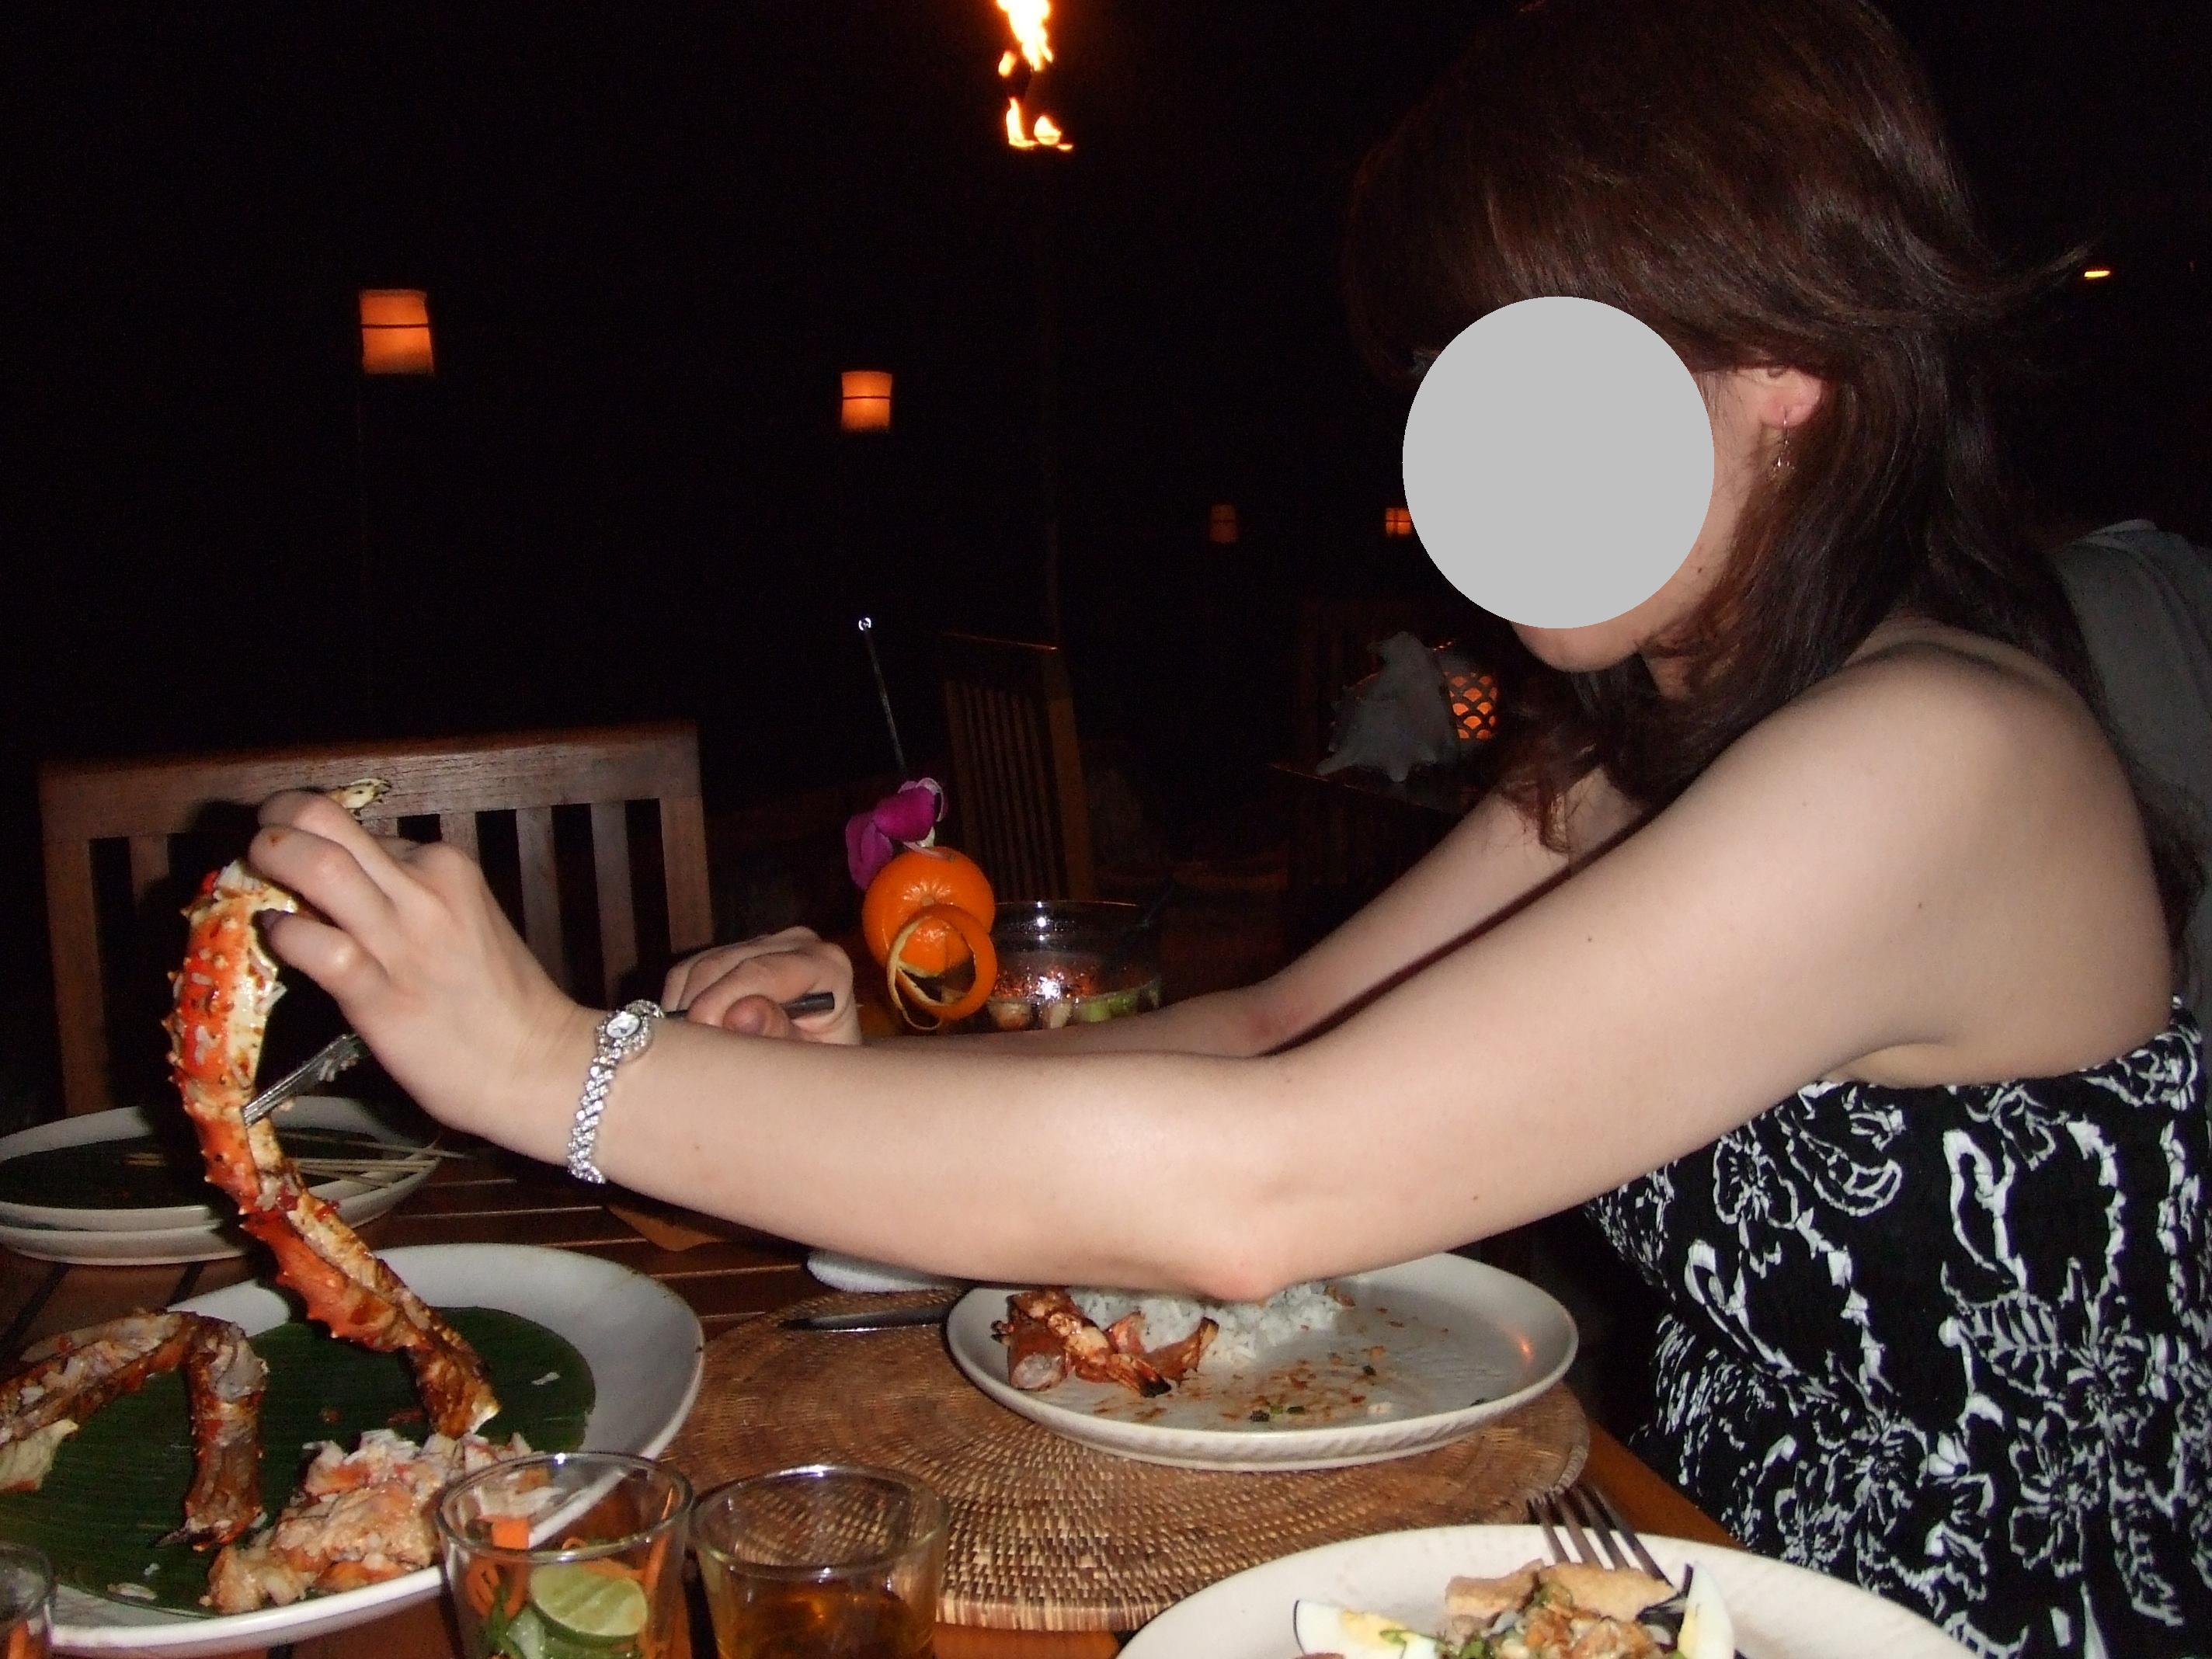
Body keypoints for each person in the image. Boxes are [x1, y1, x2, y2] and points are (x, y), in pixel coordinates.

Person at [249, 0, 2209, 1650]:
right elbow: (1271, 1033)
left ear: (1788, 363)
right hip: (1666, 1559)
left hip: (1948, 1616)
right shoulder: (1657, 739)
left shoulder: (1929, 756)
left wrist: (555, 1072)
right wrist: (832, 1085)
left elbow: (1269, 1182)